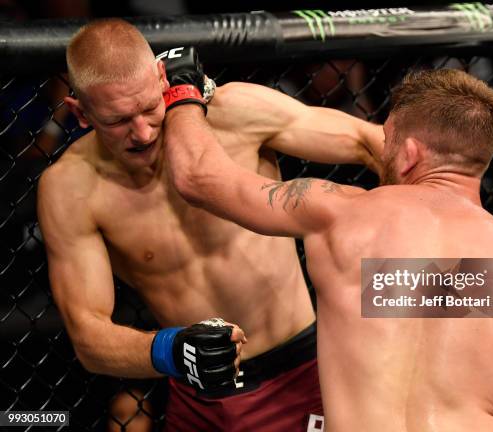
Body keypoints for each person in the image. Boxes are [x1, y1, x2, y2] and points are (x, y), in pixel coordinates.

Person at [163, 67, 493, 431]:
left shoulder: (340, 213)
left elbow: (198, 177)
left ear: (410, 153)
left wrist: (182, 90)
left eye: (388, 142)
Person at [37, 19, 384, 432]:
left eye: (150, 107)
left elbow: (371, 143)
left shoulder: (232, 114)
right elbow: (87, 336)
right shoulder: (70, 188)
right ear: (81, 113)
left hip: (303, 373)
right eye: (118, 121)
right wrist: (169, 349)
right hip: (198, 396)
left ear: (162, 78)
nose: (144, 132)